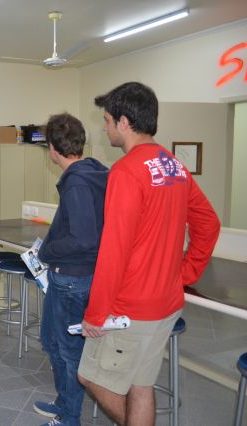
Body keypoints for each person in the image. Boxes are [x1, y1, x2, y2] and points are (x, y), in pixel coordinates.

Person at [78, 82, 221, 426]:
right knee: (140, 385)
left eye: (107, 120)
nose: (105, 128)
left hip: (131, 308)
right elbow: (209, 223)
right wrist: (185, 273)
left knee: (92, 377)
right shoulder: (174, 166)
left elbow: (115, 248)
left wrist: (96, 313)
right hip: (166, 303)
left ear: (124, 122)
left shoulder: (126, 171)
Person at [32, 113, 109, 426]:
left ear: (53, 148)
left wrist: (47, 251)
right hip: (70, 276)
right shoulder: (91, 173)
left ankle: (70, 418)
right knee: (52, 341)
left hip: (72, 278)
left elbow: (83, 238)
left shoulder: (76, 182)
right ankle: (64, 403)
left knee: (68, 351)